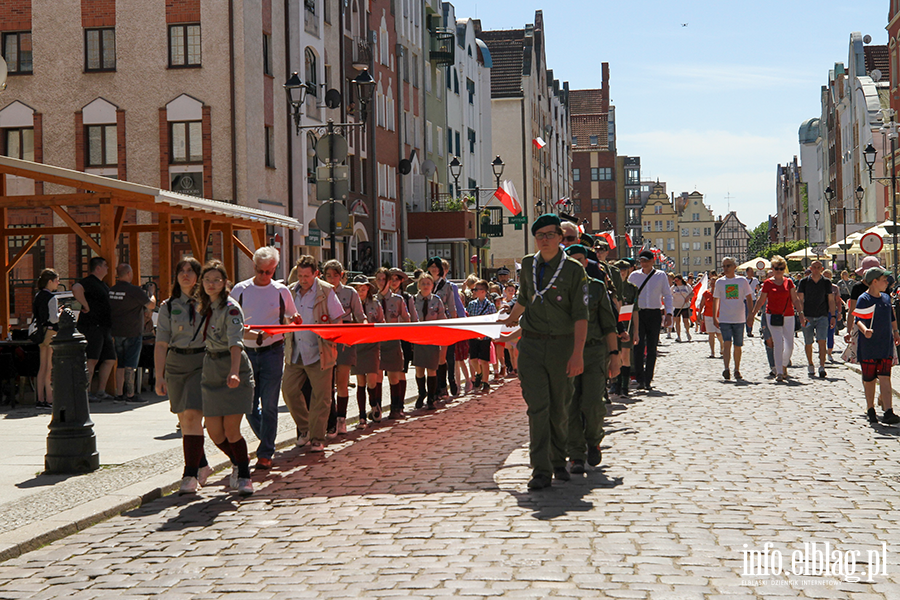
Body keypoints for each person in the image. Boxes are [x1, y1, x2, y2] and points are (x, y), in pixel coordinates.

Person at [499, 214, 588, 490]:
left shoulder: (574, 270)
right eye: (540, 236)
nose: (545, 240)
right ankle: (540, 469)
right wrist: (510, 319)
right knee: (538, 408)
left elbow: (581, 316)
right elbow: (525, 298)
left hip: (563, 345)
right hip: (532, 346)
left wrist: (577, 354)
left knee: (559, 408)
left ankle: (558, 460)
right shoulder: (528, 264)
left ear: (561, 237)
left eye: (550, 234)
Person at [231, 247, 300, 469]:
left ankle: (266, 452)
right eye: (260, 271)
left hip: (273, 351)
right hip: (246, 352)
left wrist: (295, 319)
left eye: (268, 272)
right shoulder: (240, 290)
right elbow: (230, 321)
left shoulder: (281, 291)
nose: (264, 276)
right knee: (250, 405)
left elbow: (291, 314)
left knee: (269, 403)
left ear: (274, 269)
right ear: (254, 268)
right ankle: (267, 439)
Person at [154, 257, 214, 494]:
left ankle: (189, 474)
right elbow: (161, 344)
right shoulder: (168, 306)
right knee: (186, 419)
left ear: (198, 276)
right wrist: (159, 376)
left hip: (202, 361)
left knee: (191, 416)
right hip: (176, 363)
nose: (186, 275)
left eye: (191, 271)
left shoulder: (209, 303)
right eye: (182, 271)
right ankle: (202, 464)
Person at [197, 260, 255, 496]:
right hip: (211, 368)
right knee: (214, 432)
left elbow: (235, 343)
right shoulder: (202, 306)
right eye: (208, 280)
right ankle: (238, 459)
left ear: (225, 283)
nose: (212, 285)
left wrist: (233, 371)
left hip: (233, 368)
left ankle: (244, 475)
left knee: (231, 430)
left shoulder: (230, 308)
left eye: (216, 280)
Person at [563, 245, 620, 473]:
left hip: (595, 352)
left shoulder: (596, 288)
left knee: (593, 403)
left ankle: (593, 439)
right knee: (570, 404)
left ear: (586, 262)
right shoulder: (560, 289)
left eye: (579, 260)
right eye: (571, 260)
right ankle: (576, 454)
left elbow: (609, 324)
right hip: (567, 353)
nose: (575, 264)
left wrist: (614, 355)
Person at [281, 255, 345, 453]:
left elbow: (337, 319)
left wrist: (330, 339)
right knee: (289, 391)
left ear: (315, 274)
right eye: (300, 275)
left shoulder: (326, 291)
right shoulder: (290, 292)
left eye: (306, 276)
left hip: (320, 353)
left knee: (322, 397)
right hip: (295, 352)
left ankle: (317, 437)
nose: (302, 279)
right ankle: (305, 428)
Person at [321, 260, 365, 432]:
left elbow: (360, 316)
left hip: (345, 337)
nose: (331, 279)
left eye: (335, 275)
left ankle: (341, 418)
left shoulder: (350, 292)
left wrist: (365, 330)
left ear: (341, 275)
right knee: (327, 382)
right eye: (328, 275)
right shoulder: (320, 292)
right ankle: (330, 420)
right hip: (326, 338)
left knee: (342, 380)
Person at [854, 266, 900, 424]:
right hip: (868, 346)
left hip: (885, 345)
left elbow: (891, 316)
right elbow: (858, 320)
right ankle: (870, 408)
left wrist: (896, 332)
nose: (887, 282)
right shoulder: (864, 299)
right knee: (869, 379)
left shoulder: (886, 298)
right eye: (884, 280)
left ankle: (888, 411)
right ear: (874, 282)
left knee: (885, 377)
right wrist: (865, 329)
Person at [749, 255, 803, 382]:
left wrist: (800, 313)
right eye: (776, 268)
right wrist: (752, 314)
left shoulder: (789, 282)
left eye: (781, 268)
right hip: (772, 315)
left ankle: (783, 365)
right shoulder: (768, 283)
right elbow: (761, 300)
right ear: (772, 268)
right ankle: (779, 371)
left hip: (788, 315)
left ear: (784, 269)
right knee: (778, 343)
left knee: (789, 345)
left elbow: (795, 299)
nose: (779, 270)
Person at [108, 263, 156, 403]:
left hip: (117, 331)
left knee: (121, 363)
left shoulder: (111, 291)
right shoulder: (134, 291)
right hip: (133, 331)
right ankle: (130, 394)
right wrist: (151, 293)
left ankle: (119, 393)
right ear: (129, 274)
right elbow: (151, 305)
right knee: (130, 364)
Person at [627, 249, 673, 390]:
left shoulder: (660, 276)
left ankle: (648, 379)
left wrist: (669, 313)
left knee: (652, 347)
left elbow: (667, 295)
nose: (643, 263)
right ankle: (640, 378)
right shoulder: (634, 276)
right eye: (641, 260)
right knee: (638, 346)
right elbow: (628, 293)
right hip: (638, 314)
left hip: (654, 313)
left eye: (646, 260)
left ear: (653, 261)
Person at [73, 257, 116, 402]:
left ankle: (101, 391)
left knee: (110, 359)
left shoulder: (102, 284)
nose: (107, 268)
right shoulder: (89, 281)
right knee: (91, 359)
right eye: (105, 265)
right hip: (92, 326)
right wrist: (85, 305)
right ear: (97, 268)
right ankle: (86, 392)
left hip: (104, 327)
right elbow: (76, 288)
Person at [348, 275, 384, 423]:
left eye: (362, 289)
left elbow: (382, 321)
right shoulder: (350, 304)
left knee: (372, 380)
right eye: (357, 289)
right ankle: (362, 415)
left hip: (371, 343)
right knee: (360, 381)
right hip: (357, 344)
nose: (360, 292)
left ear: (368, 289)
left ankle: (374, 405)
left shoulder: (375, 304)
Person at [712, 257, 753, 381]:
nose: (725, 268)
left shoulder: (742, 281)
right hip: (725, 318)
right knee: (727, 343)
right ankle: (726, 368)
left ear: (734, 267)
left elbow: (749, 298)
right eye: (724, 266)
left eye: (728, 266)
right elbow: (716, 300)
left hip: (739, 318)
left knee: (738, 345)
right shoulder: (720, 282)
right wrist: (714, 316)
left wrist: (750, 314)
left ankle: (737, 369)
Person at [412, 273, 447, 410]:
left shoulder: (436, 300)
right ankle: (421, 393)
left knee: (432, 368)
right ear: (418, 285)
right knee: (419, 369)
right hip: (418, 337)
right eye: (423, 283)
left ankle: (431, 397)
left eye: (428, 284)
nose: (425, 286)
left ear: (432, 286)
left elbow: (442, 318)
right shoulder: (413, 300)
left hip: (432, 337)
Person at [797, 260, 836, 379]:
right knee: (808, 341)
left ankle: (822, 366)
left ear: (821, 269)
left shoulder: (826, 282)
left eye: (818, 267)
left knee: (822, 340)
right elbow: (800, 299)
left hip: (822, 315)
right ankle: (810, 364)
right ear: (810, 268)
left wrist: (833, 315)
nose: (816, 269)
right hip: (808, 315)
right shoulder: (804, 282)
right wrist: (801, 314)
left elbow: (830, 299)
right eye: (814, 267)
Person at [382, 269, 412, 419]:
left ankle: (399, 405)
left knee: (401, 371)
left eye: (396, 279)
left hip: (402, 338)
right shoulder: (377, 298)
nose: (393, 282)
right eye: (391, 279)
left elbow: (411, 318)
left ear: (401, 281)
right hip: (384, 339)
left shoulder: (405, 297)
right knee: (387, 373)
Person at [426, 257, 457, 399]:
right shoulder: (425, 283)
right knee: (430, 357)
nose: (433, 269)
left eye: (436, 266)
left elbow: (451, 305)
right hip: (428, 324)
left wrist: (454, 323)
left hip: (443, 322)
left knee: (442, 357)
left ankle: (442, 386)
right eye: (431, 266)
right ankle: (432, 389)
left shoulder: (446, 286)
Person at [32, 269, 60, 410]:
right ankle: (49, 399)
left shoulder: (37, 296)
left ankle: (40, 399)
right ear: (50, 281)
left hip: (40, 333)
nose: (58, 283)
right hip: (50, 332)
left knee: (41, 367)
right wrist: (60, 313)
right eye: (56, 280)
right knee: (49, 366)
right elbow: (54, 318)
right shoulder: (52, 298)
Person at [612, 259, 638, 398]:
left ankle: (624, 387)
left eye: (624, 270)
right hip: (612, 326)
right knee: (614, 356)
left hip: (627, 325)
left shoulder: (632, 288)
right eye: (619, 270)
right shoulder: (610, 287)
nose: (622, 272)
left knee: (625, 355)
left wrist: (637, 332)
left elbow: (635, 310)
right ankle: (615, 383)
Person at [466, 279, 497, 393]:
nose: (474, 291)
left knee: (484, 360)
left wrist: (491, 333)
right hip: (474, 335)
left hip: (484, 337)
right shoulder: (471, 304)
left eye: (476, 289)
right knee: (473, 358)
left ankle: (485, 382)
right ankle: (479, 373)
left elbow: (493, 320)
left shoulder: (490, 305)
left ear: (483, 291)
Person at [698, 272, 722, 358]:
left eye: (714, 283)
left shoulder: (721, 293)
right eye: (711, 283)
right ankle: (712, 352)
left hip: (719, 315)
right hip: (708, 315)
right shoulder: (706, 293)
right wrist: (699, 314)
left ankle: (722, 347)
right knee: (711, 334)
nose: (712, 285)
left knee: (719, 334)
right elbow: (701, 304)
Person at [823, 269, 844, 363]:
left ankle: (829, 353)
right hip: (821, 313)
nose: (826, 278)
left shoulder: (834, 288)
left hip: (832, 313)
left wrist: (839, 313)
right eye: (824, 276)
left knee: (831, 333)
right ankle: (822, 352)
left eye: (828, 276)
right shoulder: (819, 287)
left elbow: (838, 301)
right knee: (822, 333)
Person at [670, 275, 693, 342]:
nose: (676, 282)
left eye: (677, 280)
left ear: (680, 280)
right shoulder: (673, 287)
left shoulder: (687, 286)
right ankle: (678, 336)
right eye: (675, 281)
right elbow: (669, 294)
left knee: (686, 321)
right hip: (676, 306)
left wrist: (688, 297)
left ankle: (687, 331)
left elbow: (692, 293)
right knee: (677, 321)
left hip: (685, 306)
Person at [745, 266, 760, 337]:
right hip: (745, 300)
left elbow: (758, 289)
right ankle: (748, 330)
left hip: (753, 299)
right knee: (746, 315)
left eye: (752, 271)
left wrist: (758, 294)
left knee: (752, 315)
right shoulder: (744, 280)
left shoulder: (755, 280)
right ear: (747, 272)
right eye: (750, 271)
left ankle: (750, 330)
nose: (752, 273)